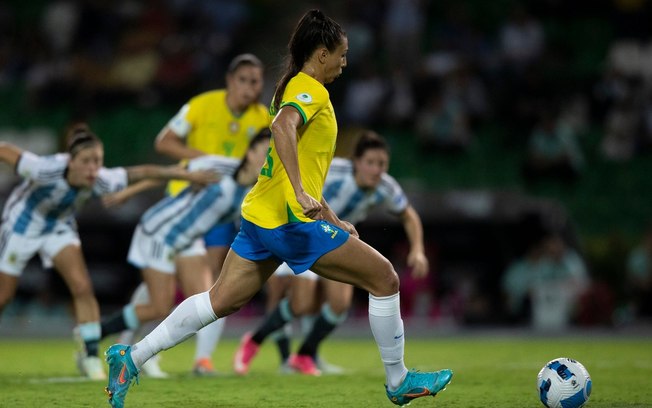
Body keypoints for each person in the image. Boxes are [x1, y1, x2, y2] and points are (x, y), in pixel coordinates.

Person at [104, 10, 452, 408]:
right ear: (321, 54)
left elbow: (299, 160)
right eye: (341, 53)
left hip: (261, 214)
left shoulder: (289, 85)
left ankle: (130, 357)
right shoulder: (310, 90)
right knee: (385, 279)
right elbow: (282, 128)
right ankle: (398, 380)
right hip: (289, 221)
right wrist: (303, 197)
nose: (344, 62)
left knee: (221, 300)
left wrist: (334, 219)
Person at [0, 124, 215, 381]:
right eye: (86, 161)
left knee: (82, 287)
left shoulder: (103, 179)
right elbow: (4, 149)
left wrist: (189, 176)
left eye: (98, 161)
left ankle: (90, 357)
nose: (93, 168)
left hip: (58, 227)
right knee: (4, 296)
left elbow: (144, 171)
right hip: (21, 225)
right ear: (71, 161)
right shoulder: (43, 169)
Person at [234, 131, 430, 376]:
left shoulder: (386, 187)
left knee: (339, 305)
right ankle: (256, 340)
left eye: (382, 164)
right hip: (302, 233)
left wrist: (418, 250)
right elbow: (299, 184)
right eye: (370, 163)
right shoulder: (334, 171)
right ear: (356, 162)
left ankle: (304, 355)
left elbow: (409, 215)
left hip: (337, 242)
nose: (376, 170)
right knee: (301, 303)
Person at [98, 130, 270, 376]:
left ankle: (201, 362)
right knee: (159, 305)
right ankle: (96, 333)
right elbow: (169, 173)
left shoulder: (256, 193)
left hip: (187, 241)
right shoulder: (218, 166)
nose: (266, 161)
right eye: (264, 153)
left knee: (211, 298)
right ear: (250, 152)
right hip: (160, 232)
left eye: (271, 156)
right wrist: (127, 193)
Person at [148, 53, 270, 374]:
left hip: (223, 209)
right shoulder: (202, 105)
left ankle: (202, 359)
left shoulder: (264, 120)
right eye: (242, 80)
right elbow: (164, 142)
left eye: (255, 81)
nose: (248, 87)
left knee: (215, 282)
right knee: (161, 282)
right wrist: (204, 160)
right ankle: (142, 344)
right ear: (230, 81)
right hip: (185, 202)